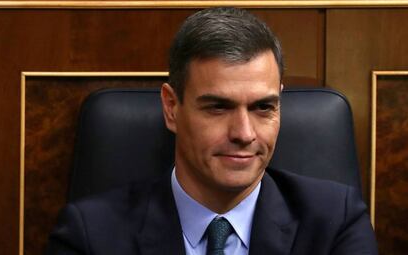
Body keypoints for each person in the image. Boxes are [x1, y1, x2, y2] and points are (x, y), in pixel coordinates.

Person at [46, 7, 378, 255]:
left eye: (263, 107)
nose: (244, 133)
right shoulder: (90, 235)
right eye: (218, 108)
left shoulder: (335, 222)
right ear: (172, 108)